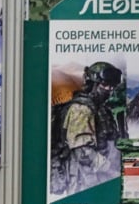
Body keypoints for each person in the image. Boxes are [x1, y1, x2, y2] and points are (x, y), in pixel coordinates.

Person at [50, 61, 124, 195]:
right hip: (83, 179)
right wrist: (110, 168)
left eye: (112, 86)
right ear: (92, 84)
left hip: (99, 177)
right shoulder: (81, 109)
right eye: (105, 85)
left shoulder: (101, 108)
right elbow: (83, 152)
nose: (109, 90)